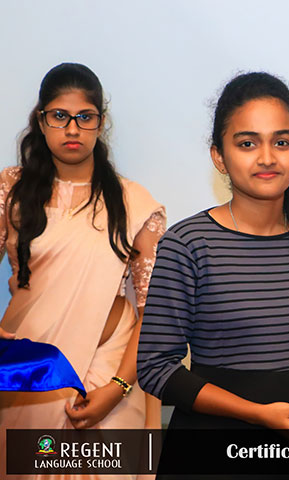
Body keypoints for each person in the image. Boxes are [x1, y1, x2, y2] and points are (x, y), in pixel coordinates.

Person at [136, 72, 289, 478]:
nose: (267, 157)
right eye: (247, 143)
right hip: (209, 450)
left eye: (281, 142)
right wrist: (257, 413)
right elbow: (155, 367)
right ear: (218, 156)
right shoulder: (187, 243)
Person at [0, 63, 166, 479]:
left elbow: (154, 312)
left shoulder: (133, 203)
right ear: (41, 121)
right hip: (30, 374)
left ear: (100, 123)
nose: (72, 129)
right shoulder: (11, 191)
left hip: (111, 374)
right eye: (59, 116)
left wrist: (118, 387)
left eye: (85, 117)